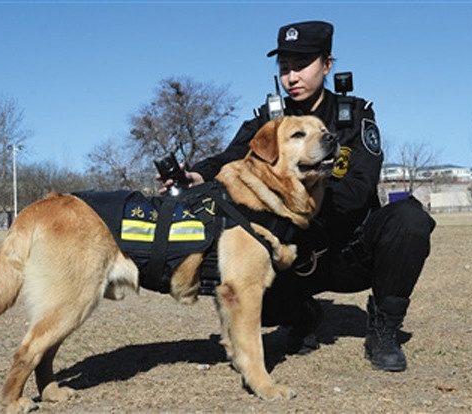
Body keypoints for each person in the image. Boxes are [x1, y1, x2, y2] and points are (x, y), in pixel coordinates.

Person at [161, 21, 436, 372]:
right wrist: (194, 174)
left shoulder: (353, 114)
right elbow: (232, 157)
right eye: (285, 67)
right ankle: (302, 313)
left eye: (302, 65)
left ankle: (384, 329)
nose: (292, 76)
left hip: (347, 250)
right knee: (253, 295)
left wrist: (297, 191)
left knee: (408, 220)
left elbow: (359, 187)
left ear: (326, 64)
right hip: (292, 251)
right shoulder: (271, 119)